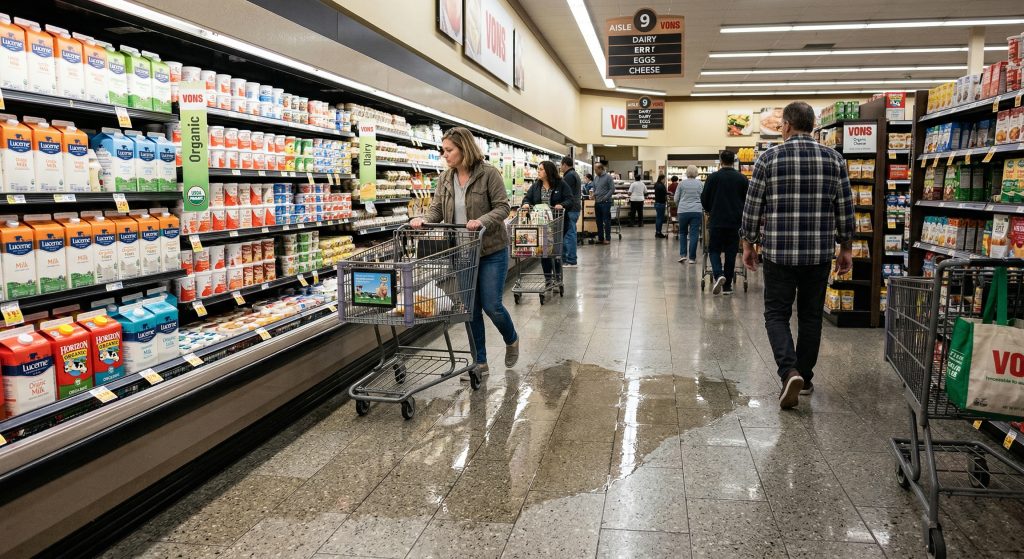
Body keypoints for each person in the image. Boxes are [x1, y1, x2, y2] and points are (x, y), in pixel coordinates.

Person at [740, 101, 854, 410]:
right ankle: (804, 375)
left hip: (779, 252)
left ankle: (788, 370)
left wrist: (748, 243)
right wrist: (846, 247)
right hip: (818, 253)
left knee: (776, 314)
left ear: (787, 125)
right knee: (811, 315)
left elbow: (753, 207)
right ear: (814, 126)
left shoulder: (769, 159)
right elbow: (845, 207)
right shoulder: (835, 160)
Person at [412, 126, 520, 380]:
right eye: (444, 150)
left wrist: (482, 220)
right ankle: (479, 363)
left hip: (491, 249)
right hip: (461, 253)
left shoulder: (488, 174)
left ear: (464, 149)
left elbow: (503, 207)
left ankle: (512, 338)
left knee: (492, 306)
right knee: (470, 310)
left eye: (449, 150)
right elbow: (437, 209)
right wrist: (424, 220)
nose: (444, 155)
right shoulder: (444, 178)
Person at [701, 150, 748, 295]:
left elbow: (704, 199)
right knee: (731, 253)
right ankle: (727, 286)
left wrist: (710, 209)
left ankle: (718, 274)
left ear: (720, 161)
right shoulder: (742, 178)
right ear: (734, 160)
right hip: (735, 222)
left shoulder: (713, 178)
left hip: (717, 220)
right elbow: (747, 200)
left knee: (713, 250)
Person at [522, 160, 571, 286]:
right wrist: (526, 204)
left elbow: (570, 200)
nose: (538, 171)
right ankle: (548, 279)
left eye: (541, 169)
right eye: (538, 169)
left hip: (557, 224)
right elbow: (527, 198)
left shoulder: (561, 184)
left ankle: (558, 278)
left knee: (555, 252)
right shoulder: (536, 186)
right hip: (541, 224)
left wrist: (562, 205)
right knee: (543, 253)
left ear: (548, 171)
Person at [674, 165, 703, 263]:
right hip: (696, 210)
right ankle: (692, 258)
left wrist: (680, 205)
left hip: (683, 211)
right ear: (696, 172)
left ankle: (683, 255)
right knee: (694, 234)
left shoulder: (681, 184)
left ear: (686, 172)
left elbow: (676, 198)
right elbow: (703, 197)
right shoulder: (700, 184)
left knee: (682, 233)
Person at [559, 156, 581, 267]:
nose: (560, 167)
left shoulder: (569, 176)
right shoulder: (574, 174)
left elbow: (565, 193)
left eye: (560, 165)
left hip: (571, 209)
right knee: (571, 233)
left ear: (564, 164)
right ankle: (569, 258)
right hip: (575, 208)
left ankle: (571, 260)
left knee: (569, 234)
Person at [592, 163, 614, 244]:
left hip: (606, 203)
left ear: (601, 169)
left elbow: (612, 189)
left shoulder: (608, 177)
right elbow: (595, 188)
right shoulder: (596, 178)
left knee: (606, 221)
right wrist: (593, 194)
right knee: (598, 221)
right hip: (597, 202)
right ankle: (601, 238)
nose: (595, 171)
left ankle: (607, 238)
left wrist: (605, 198)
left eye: (596, 170)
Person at [653, 174, 668, 238]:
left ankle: (657, 232)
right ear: (662, 179)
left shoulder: (656, 184)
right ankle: (658, 232)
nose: (665, 180)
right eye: (665, 179)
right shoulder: (661, 185)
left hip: (657, 203)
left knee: (658, 218)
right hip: (661, 203)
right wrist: (669, 193)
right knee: (660, 219)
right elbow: (664, 193)